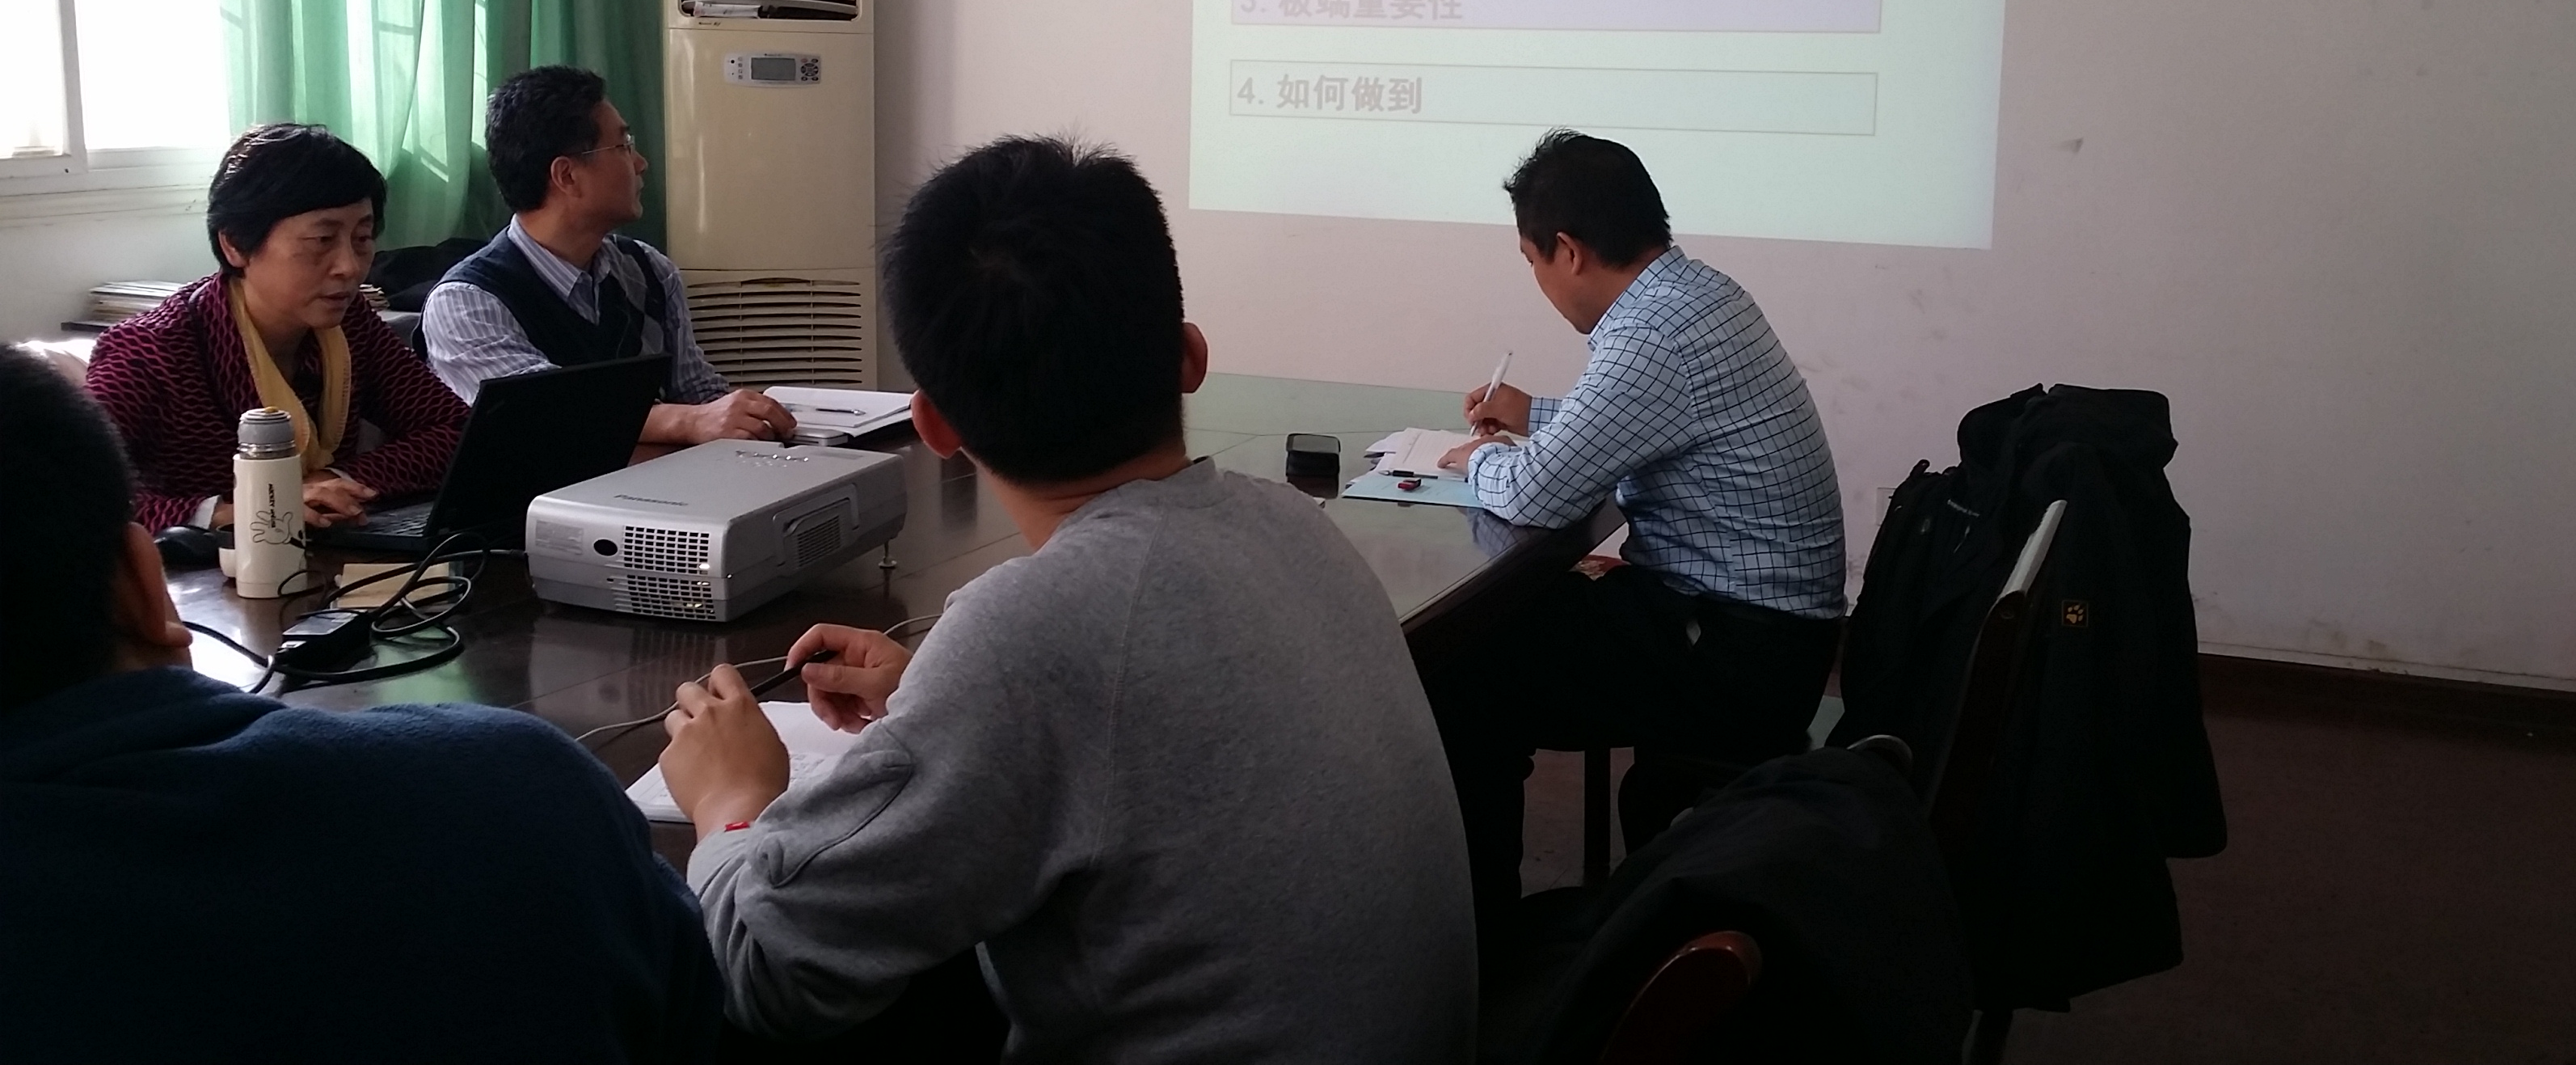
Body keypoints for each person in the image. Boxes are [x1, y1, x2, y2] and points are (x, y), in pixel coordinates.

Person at [656, 137, 1476, 1059]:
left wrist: (731, 800)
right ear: (1190, 357)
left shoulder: (1027, 638)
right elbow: (1132, 705)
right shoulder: (1291, 521)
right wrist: (941, 694)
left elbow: (765, 967)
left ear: (934, 425)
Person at [0, 347, 720, 1063]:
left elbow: (446, 427)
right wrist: (731, 821)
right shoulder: (518, 791)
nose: (349, 279)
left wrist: (346, 478)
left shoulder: (354, 334)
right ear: (144, 583)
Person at [1430, 129, 1846, 941]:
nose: (1540, 281)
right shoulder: (1697, 294)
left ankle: (1480, 944)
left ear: (1568, 250)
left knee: (1464, 673)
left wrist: (1478, 458)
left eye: (1533, 262)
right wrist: (1534, 413)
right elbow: (1652, 419)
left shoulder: (1649, 336)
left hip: (1737, 660)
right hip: (1771, 637)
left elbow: (1535, 496)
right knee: (1509, 629)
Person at [85, 125, 467, 532]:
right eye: (322, 240)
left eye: (362, 238)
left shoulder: (350, 323)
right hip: (200, 566)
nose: (350, 267)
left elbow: (457, 432)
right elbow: (68, 488)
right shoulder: (150, 351)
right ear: (235, 245)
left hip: (324, 548)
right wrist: (234, 511)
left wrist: (335, 480)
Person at [419, 65, 795, 446]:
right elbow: (540, 410)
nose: (641, 163)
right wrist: (686, 422)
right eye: (624, 145)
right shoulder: (466, 302)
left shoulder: (649, 270)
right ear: (567, 176)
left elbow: (696, 393)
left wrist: (752, 419)